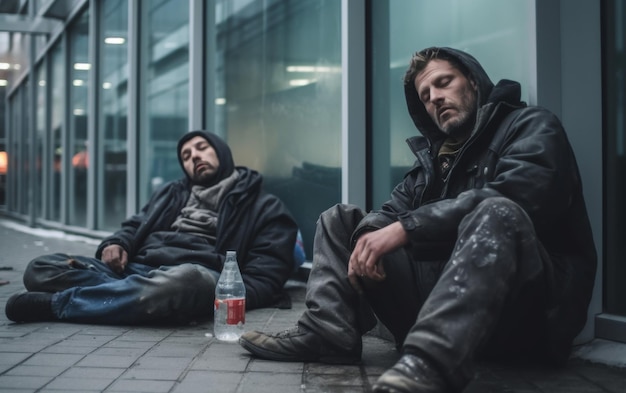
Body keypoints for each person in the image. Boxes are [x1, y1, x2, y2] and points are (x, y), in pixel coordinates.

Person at [238, 47, 597, 392]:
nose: (435, 98)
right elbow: (389, 212)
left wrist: (406, 228)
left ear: (473, 81)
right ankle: (327, 332)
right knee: (341, 219)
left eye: (443, 83)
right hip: (433, 306)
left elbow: (526, 195)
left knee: (496, 211)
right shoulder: (432, 162)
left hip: (526, 320)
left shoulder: (529, 125)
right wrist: (371, 237)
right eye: (425, 95)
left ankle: (428, 363)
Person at [5, 130, 299, 325]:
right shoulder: (173, 192)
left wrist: (222, 298)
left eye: (201, 148)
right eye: (186, 155)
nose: (194, 156)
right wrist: (116, 244)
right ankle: (142, 299)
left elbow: (266, 277)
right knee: (41, 268)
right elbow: (134, 226)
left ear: (221, 152)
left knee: (188, 281)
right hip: (138, 269)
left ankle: (58, 306)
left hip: (196, 274)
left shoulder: (265, 206)